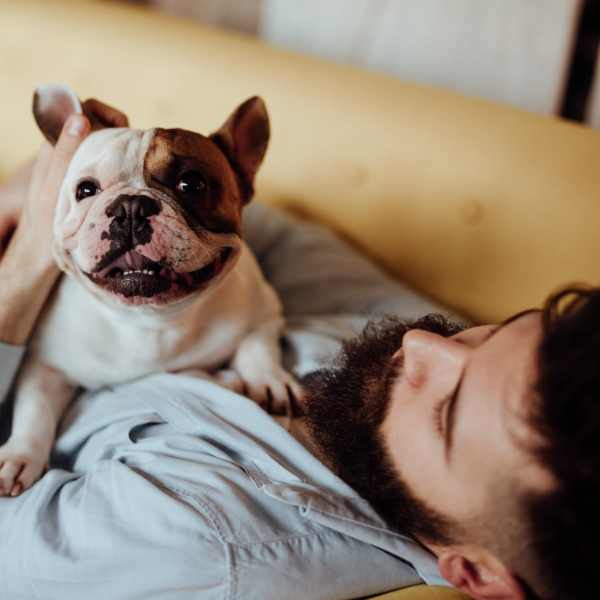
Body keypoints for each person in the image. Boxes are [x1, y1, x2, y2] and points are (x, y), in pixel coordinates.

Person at [0, 104, 595, 600]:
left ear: (473, 571)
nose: (422, 343)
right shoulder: (407, 354)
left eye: (447, 412)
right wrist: (67, 187)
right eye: (485, 333)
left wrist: (23, 269)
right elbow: (261, 230)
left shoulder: (207, 535)